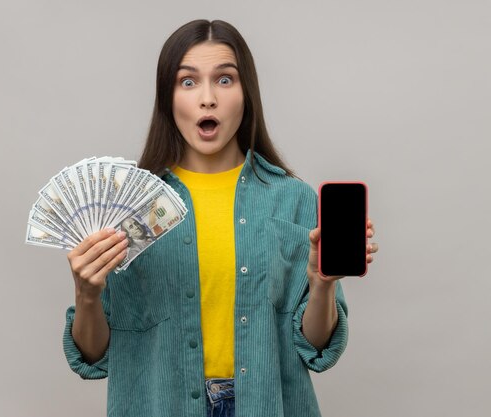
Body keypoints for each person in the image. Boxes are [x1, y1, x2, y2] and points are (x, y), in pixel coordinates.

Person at [63, 19, 379, 417]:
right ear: (167, 97)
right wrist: (87, 295)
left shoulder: (294, 199)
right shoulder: (127, 208)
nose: (207, 98)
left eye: (225, 80)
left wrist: (321, 286)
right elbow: (95, 356)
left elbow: (317, 349)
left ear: (247, 94)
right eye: (188, 82)